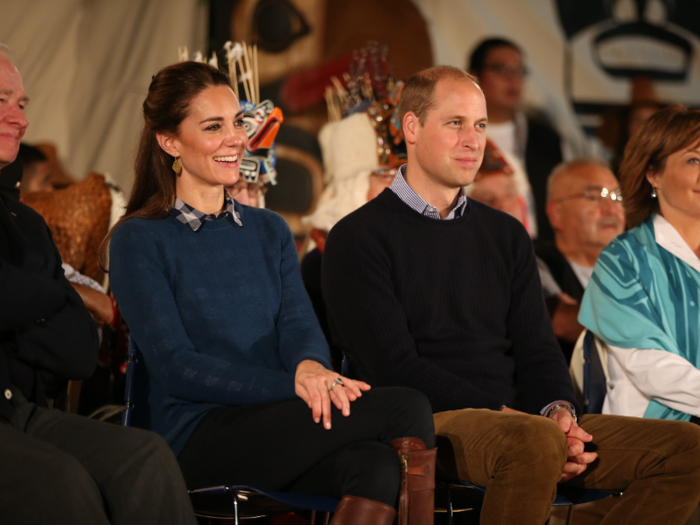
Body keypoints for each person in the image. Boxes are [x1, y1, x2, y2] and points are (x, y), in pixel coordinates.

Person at [322, 65, 700, 525]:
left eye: (480, 125)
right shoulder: (358, 237)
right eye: (455, 123)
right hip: (425, 423)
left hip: (524, 422)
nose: (472, 140)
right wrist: (511, 416)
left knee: (686, 449)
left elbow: (538, 350)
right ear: (413, 128)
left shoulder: (505, 234)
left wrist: (560, 413)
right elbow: (392, 367)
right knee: (532, 442)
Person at [107, 61, 436, 525]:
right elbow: (177, 368)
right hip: (195, 435)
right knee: (406, 405)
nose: (234, 138)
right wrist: (296, 384)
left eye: (237, 122)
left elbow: (299, 324)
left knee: (375, 464)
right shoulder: (139, 238)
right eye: (213, 126)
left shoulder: (269, 229)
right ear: (170, 141)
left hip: (277, 419)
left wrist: (308, 366)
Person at [0, 45, 197, 525]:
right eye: (2, 100)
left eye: (22, 104)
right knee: (60, 482)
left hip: (18, 412)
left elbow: (78, 354)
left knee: (144, 457)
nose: (19, 119)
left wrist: (36, 296)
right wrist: (58, 295)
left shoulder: (25, 223)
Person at [579, 105, 700, 422]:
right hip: (656, 436)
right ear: (653, 174)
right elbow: (654, 370)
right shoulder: (623, 260)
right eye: (694, 160)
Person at [468, 37, 564, 240]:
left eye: (519, 71)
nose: (513, 79)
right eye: (501, 70)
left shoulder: (545, 138)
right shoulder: (457, 134)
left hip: (538, 250)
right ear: (474, 76)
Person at [536, 159, 625, 362]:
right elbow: (558, 321)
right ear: (556, 213)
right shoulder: (532, 259)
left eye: (617, 197)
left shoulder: (639, 263)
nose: (611, 209)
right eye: (594, 197)